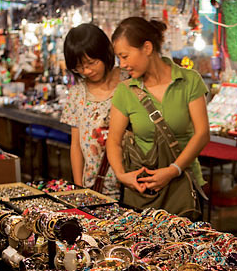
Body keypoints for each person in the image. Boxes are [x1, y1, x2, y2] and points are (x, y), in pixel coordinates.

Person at [106, 17, 209, 211]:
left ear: (147, 48)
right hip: (143, 191)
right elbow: (113, 140)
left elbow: (202, 134)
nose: (122, 64)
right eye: (119, 58)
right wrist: (121, 175)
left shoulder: (189, 81)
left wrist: (173, 170)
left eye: (125, 56)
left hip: (183, 187)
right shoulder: (125, 91)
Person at [61, 23, 126, 196]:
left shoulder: (128, 82)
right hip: (94, 188)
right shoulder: (77, 94)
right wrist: (79, 187)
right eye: (80, 67)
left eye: (91, 63)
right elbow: (75, 145)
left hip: (131, 185)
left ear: (105, 52)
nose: (87, 71)